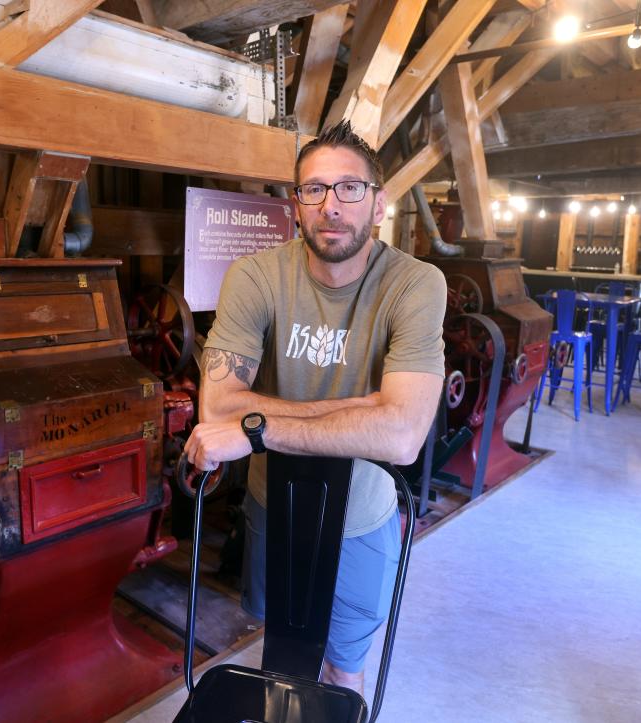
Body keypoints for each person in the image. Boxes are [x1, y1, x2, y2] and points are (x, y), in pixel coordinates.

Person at [183, 120, 446, 694]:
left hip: (360, 517)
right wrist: (366, 408)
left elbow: (402, 437)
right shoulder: (254, 276)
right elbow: (221, 406)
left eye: (350, 188)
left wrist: (256, 427)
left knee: (340, 671)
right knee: (278, 657)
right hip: (270, 506)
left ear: (378, 205)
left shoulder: (415, 283)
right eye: (314, 189)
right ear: (295, 205)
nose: (332, 205)